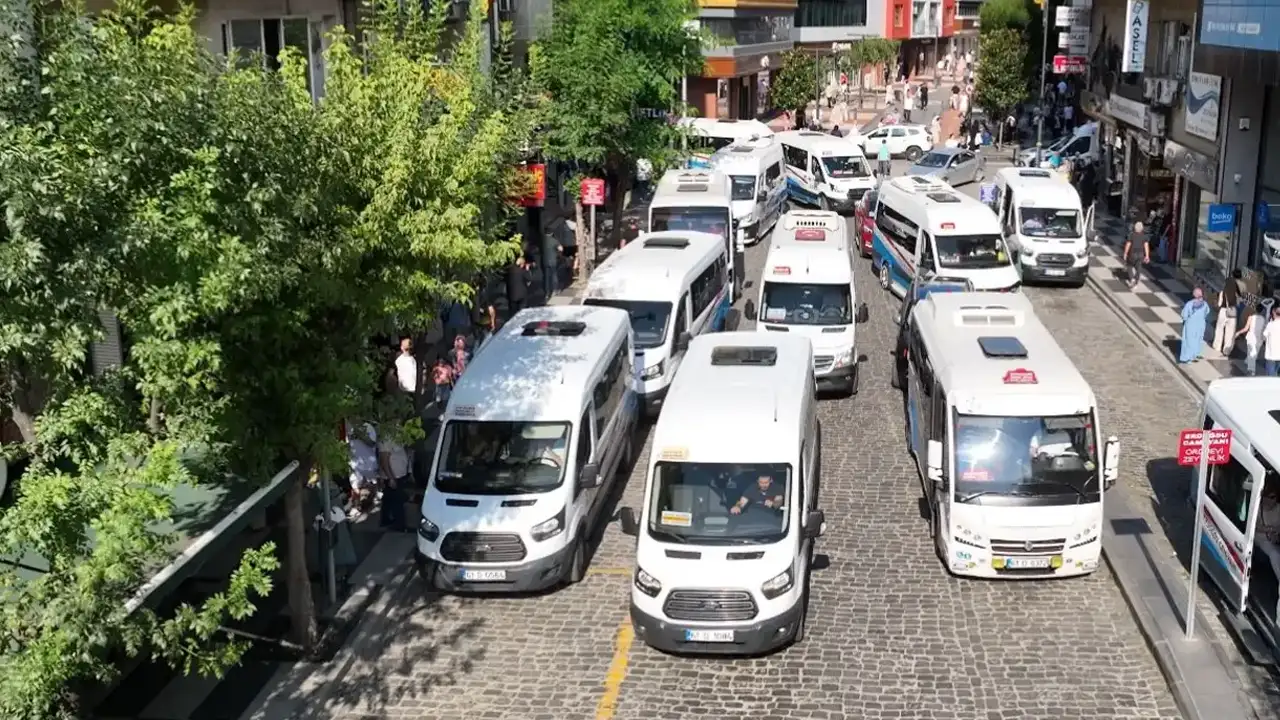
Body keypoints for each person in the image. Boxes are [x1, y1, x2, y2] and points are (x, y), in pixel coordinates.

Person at [377, 425, 411, 530]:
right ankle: (399, 525)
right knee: (397, 501)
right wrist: (390, 478)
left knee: (388, 499)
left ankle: (385, 520)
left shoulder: (397, 435)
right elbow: (384, 460)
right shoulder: (386, 438)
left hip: (398, 475)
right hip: (393, 476)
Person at [1212, 275, 1242, 356]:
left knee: (1219, 329)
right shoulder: (1236, 294)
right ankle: (1227, 350)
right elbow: (1238, 304)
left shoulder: (1223, 292)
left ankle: (1217, 346)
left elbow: (1219, 304)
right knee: (1230, 332)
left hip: (1223, 311)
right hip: (1232, 312)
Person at [1178, 287, 1210, 364]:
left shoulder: (1189, 304)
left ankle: (1187, 358)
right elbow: (1207, 312)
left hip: (1190, 325)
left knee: (1189, 341)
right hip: (1200, 324)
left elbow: (1184, 315)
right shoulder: (1205, 304)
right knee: (1198, 340)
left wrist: (1185, 320)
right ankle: (1195, 354)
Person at [1236, 300, 1266, 375]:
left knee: (1251, 353)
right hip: (1259, 339)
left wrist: (1238, 332)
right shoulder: (1263, 319)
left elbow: (1246, 328)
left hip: (1251, 337)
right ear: (1262, 311)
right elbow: (1263, 330)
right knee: (1254, 353)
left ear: (1255, 309)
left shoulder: (1251, 317)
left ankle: (1251, 370)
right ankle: (1247, 361)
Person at [1122, 221, 1149, 289]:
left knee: (1129, 266)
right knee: (1139, 268)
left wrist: (1125, 253)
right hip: (1141, 254)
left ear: (1134, 228)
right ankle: (1136, 282)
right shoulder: (1144, 236)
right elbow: (1146, 246)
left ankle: (1132, 279)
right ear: (1142, 228)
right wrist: (1147, 256)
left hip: (1132, 254)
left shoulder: (1131, 235)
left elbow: (1128, 245)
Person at [1264, 305, 1280, 376]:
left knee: (1271, 375)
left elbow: (1264, 336)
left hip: (1271, 354)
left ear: (1274, 313)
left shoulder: (1270, 324)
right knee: (1276, 373)